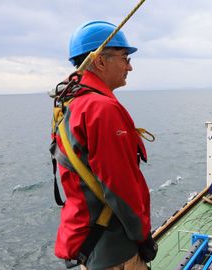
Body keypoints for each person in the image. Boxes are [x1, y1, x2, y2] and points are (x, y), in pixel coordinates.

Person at [51, 21, 156, 270]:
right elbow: (120, 185)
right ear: (99, 61)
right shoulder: (101, 109)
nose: (129, 66)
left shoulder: (70, 102)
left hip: (91, 240)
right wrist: (142, 236)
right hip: (115, 247)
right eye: (124, 57)